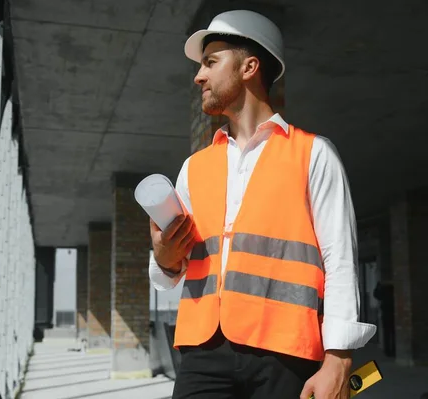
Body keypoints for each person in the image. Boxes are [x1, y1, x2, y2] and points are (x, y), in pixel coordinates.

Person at [148, 9, 376, 399]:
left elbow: (340, 261)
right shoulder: (193, 168)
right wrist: (165, 257)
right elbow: (170, 272)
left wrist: (338, 360)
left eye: (210, 62)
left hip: (285, 353)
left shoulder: (314, 155)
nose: (198, 76)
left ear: (250, 67)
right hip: (203, 352)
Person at [373, 281, 396, 357]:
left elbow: (376, 295)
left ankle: (388, 350)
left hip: (387, 312)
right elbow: (377, 295)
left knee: (387, 333)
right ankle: (391, 350)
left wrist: (378, 286)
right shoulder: (392, 287)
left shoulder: (384, 288)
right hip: (391, 312)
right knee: (391, 332)